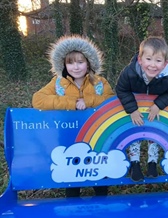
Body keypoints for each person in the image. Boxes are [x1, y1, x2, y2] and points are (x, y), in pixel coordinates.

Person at [32, 35, 115, 197]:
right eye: (70, 63)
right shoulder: (58, 83)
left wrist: (88, 101)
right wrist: (71, 103)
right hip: (68, 137)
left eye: (80, 62)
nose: (75, 67)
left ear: (88, 63)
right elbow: (38, 100)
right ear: (63, 64)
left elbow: (111, 100)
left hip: (96, 136)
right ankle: (72, 209)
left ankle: (101, 208)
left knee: (98, 175)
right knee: (71, 177)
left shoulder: (99, 83)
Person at [115, 36, 168, 182]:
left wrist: (158, 105)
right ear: (140, 59)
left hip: (155, 110)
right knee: (134, 132)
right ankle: (135, 162)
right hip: (135, 109)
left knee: (155, 131)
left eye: (158, 61)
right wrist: (132, 109)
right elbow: (121, 89)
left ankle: (152, 161)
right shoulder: (130, 72)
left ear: (165, 64)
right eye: (148, 59)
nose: (152, 65)